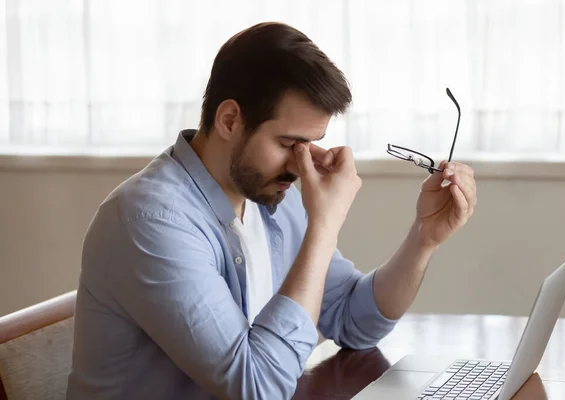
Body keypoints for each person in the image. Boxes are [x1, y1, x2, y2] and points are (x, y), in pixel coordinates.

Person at [67, 22, 477, 399]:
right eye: (287, 143)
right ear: (229, 119)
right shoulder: (151, 221)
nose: (300, 165)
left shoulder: (269, 197)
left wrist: (423, 239)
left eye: (310, 144)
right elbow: (257, 387)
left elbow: (356, 321)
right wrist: (324, 226)